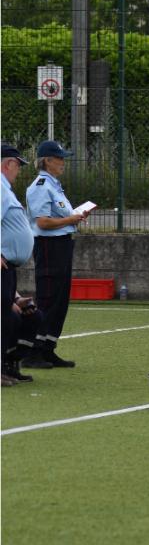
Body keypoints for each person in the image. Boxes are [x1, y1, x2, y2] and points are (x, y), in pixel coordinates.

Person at [24, 140, 89, 369]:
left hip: (61, 244)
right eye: (59, 158)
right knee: (48, 298)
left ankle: (48, 348)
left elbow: (57, 215)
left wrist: (74, 217)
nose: (63, 162)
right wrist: (71, 219)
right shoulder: (41, 186)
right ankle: (33, 352)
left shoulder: (54, 185)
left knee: (60, 300)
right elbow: (42, 222)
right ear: (47, 161)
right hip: (49, 246)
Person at [2, 144, 35, 385]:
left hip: (9, 268)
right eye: (18, 165)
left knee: (10, 315)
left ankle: (6, 366)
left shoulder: (5, 189)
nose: (19, 170)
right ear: (8, 164)